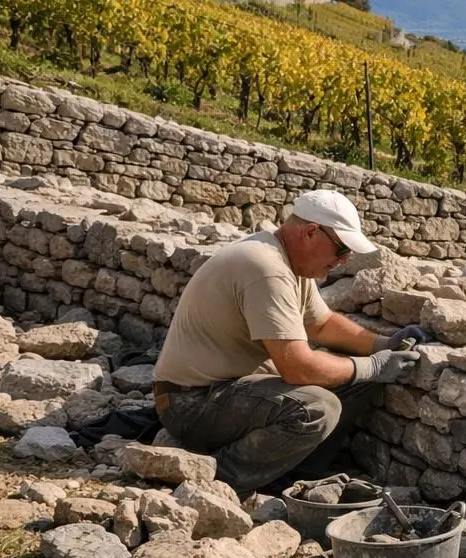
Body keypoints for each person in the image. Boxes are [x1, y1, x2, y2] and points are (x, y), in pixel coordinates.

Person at [152, 190, 428, 494]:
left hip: (232, 390)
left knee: (354, 375)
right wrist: (373, 366)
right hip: (190, 403)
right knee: (317, 408)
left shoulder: (290, 263)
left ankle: (296, 472)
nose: (344, 260)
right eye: (340, 249)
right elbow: (297, 367)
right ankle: (216, 480)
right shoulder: (266, 268)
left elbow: (320, 324)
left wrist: (382, 345)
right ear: (311, 232)